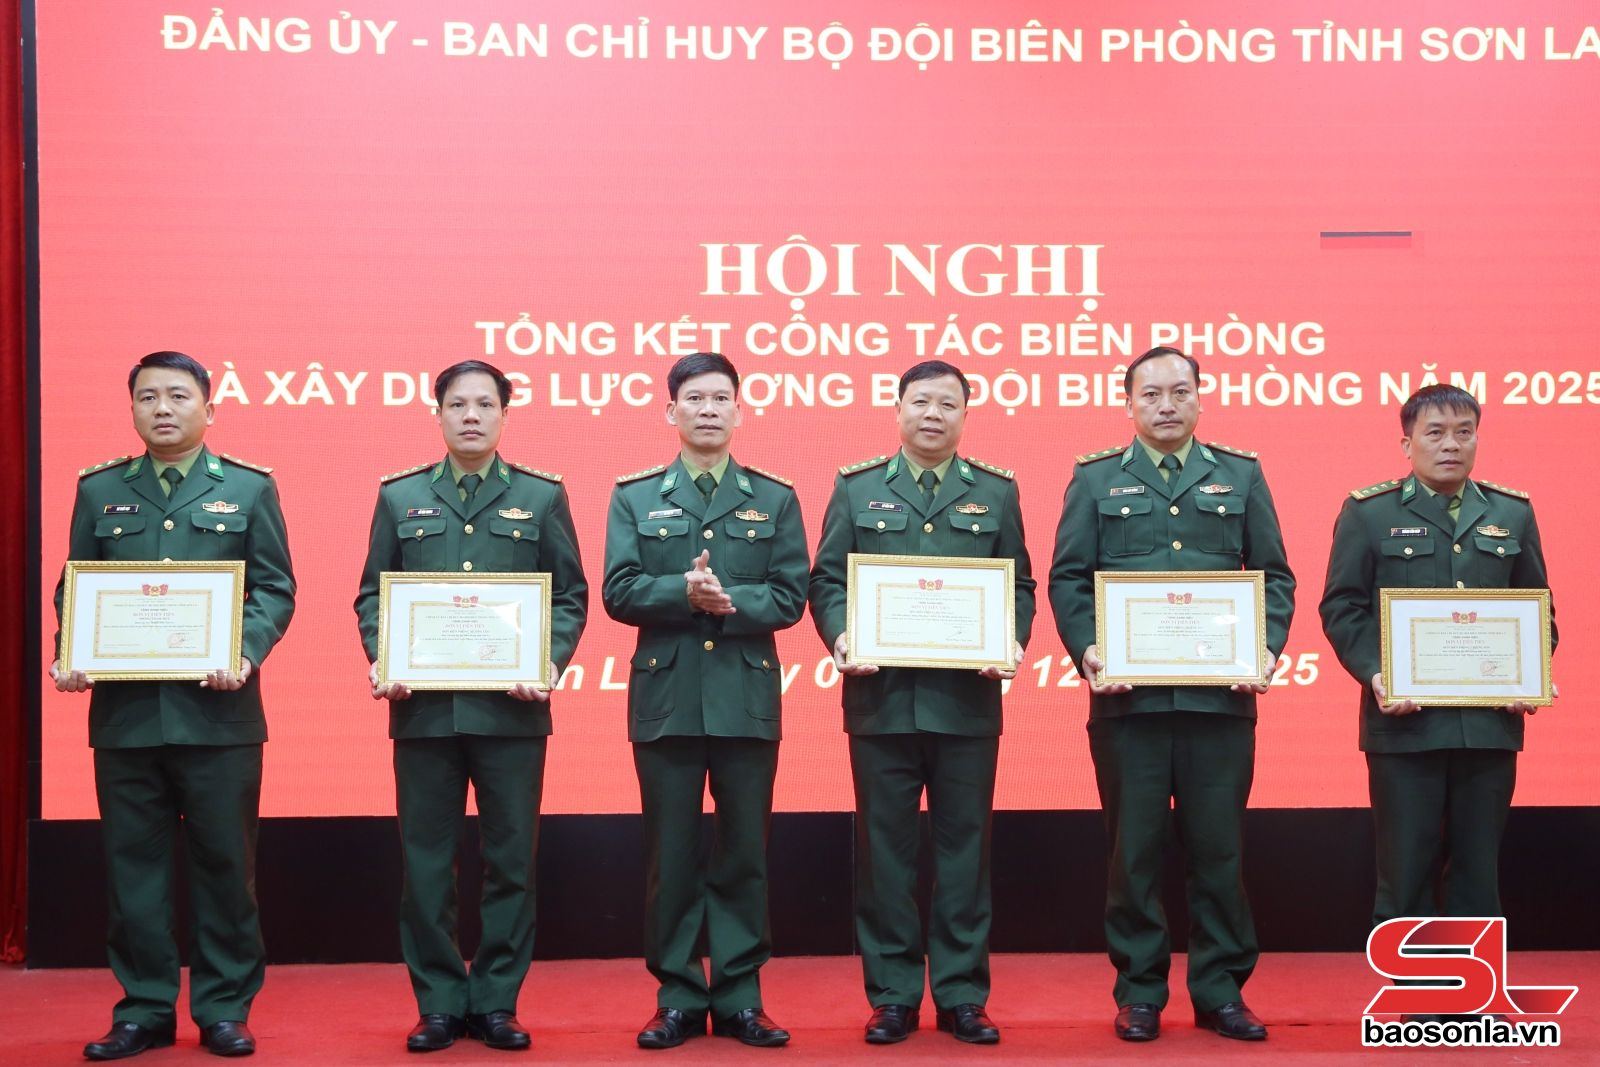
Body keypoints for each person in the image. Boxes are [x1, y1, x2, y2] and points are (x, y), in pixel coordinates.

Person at [51, 351, 296, 1059]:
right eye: (148, 396)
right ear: (132, 408)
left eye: (178, 395)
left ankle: (224, 1008)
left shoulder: (248, 488)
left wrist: (243, 651)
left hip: (220, 717)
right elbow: (76, 585)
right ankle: (144, 1009)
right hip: (125, 718)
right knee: (134, 872)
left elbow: (275, 587)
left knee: (226, 870)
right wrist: (73, 649)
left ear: (208, 408)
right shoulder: (99, 489)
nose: (162, 407)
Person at [1048, 345, 1294, 1043]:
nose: (1166, 405)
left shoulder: (1240, 475)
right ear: (1128, 402)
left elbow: (1274, 575)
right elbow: (1069, 577)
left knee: (1220, 854)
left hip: (1220, 703)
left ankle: (1221, 991)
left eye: (1180, 392)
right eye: (1151, 393)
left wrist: (1265, 647)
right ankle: (1139, 991)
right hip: (1129, 704)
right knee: (1134, 855)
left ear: (1199, 399)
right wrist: (1089, 650)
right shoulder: (1095, 478)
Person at [355, 360, 588, 1053]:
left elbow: (569, 595)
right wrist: (385, 654)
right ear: (438, 414)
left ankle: (495, 1001)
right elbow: (373, 594)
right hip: (423, 711)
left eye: (485, 404)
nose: (471, 416)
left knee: (511, 863)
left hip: (511, 713)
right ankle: (437, 1003)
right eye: (457, 404)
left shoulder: (542, 496)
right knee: (427, 866)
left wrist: (547, 661)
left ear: (504, 415)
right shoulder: (399, 496)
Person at [809, 359, 1034, 1046]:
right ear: (898, 409)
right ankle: (893, 995)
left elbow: (1019, 584)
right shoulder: (856, 488)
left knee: (966, 853)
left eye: (947, 404)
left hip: (966, 703)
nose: (933, 414)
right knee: (886, 855)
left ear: (965, 415)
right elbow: (827, 580)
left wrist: (1011, 638)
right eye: (921, 402)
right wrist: (843, 636)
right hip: (881, 701)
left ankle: (963, 994)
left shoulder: (995, 491)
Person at [602, 352, 808, 1050]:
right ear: (672, 411)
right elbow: (619, 590)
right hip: (667, 699)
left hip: (746, 698)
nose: (709, 409)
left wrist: (728, 601)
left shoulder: (774, 497)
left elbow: (790, 596)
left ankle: (742, 996)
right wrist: (681, 593)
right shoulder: (635, 496)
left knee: (744, 853)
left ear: (740, 411)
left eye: (721, 398)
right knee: (672, 855)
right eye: (695, 398)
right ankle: (679, 997)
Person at [1320, 384, 1555, 930]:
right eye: (1435, 433)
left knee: (1478, 872)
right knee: (1405, 872)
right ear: (1407, 444)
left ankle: (1470, 981)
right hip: (1405, 725)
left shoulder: (1512, 512)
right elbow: (1342, 607)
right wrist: (1377, 674)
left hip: (1488, 726)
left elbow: (1538, 609)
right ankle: (1412, 979)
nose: (1451, 444)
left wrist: (1532, 671)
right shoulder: (1369, 513)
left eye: (1463, 432)